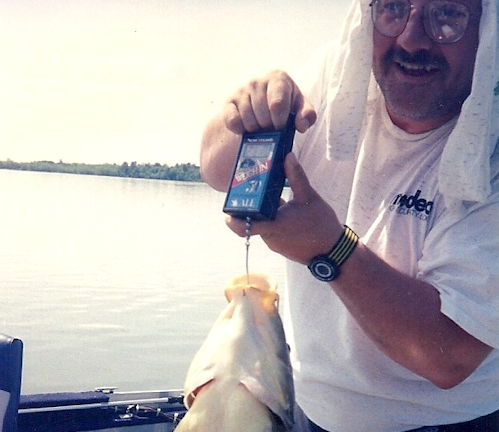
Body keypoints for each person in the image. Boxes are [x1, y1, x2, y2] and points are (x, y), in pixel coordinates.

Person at [200, 0, 499, 431]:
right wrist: (247, 114)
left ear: (489, 31)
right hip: (310, 407)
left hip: (444, 423)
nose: (411, 39)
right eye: (393, 9)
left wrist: (330, 249)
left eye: (447, 15)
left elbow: (449, 355)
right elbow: (215, 170)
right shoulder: (338, 76)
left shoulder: (492, 150)